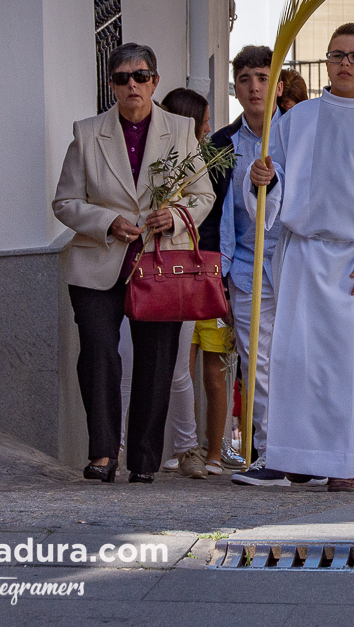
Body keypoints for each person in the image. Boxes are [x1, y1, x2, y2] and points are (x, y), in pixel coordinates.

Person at [235, 23, 354, 490]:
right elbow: (272, 181)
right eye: (337, 55)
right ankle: (295, 456)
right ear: (326, 62)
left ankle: (346, 463)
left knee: (352, 367)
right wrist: (262, 181)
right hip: (303, 254)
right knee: (297, 363)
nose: (345, 63)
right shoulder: (296, 119)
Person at [52, 44, 215, 483]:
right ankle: (104, 453)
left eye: (141, 76)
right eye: (122, 78)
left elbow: (203, 194)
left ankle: (144, 461)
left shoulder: (180, 130)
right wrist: (106, 221)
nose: (132, 85)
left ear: (155, 82)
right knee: (99, 354)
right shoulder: (87, 133)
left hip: (160, 264)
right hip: (98, 263)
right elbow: (65, 202)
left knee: (157, 361)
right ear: (111, 85)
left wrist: (175, 216)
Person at [201, 47, 287, 483]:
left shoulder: (297, 134)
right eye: (246, 79)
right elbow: (213, 212)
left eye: (263, 78)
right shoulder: (221, 145)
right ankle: (270, 453)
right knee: (257, 363)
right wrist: (218, 273)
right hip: (245, 267)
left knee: (298, 358)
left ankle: (309, 453)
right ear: (235, 89)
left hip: (295, 264)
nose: (255, 87)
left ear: (279, 86)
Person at [153, 88, 221, 478]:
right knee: (128, 362)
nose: (208, 129)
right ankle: (118, 448)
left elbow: (205, 202)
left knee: (181, 366)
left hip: (185, 270)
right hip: (140, 265)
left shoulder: (197, 159)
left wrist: (175, 216)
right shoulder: (155, 151)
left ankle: (188, 448)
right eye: (204, 122)